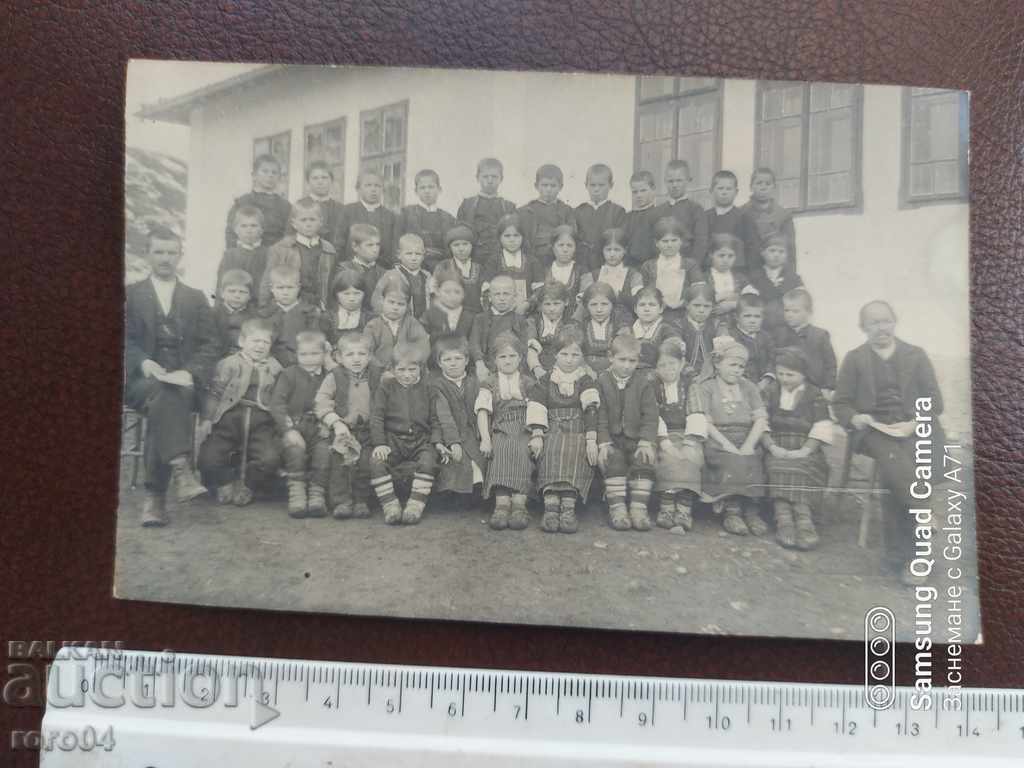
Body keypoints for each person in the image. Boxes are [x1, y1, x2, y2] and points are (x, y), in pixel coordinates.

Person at [832, 300, 945, 587]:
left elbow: (934, 400)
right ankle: (922, 529)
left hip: (912, 425)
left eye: (886, 321)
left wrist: (913, 423)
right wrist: (854, 417)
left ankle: (901, 556)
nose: (881, 328)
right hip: (875, 429)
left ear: (895, 322)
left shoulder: (915, 355)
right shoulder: (855, 358)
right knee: (893, 456)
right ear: (863, 328)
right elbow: (841, 402)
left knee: (898, 472)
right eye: (873, 323)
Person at [125, 226, 220, 526]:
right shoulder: (131, 295)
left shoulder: (195, 297)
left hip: (183, 382)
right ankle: (180, 470)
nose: (165, 259)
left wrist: (189, 371)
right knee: (162, 395)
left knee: (167, 398)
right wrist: (143, 362)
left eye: (171, 252)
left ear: (180, 256)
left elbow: (211, 343)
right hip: (141, 381)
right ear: (147, 254)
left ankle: (155, 499)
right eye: (158, 252)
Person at [197, 318, 282, 507]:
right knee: (208, 457)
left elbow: (279, 398)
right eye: (255, 341)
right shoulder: (229, 363)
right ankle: (225, 482)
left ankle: (248, 485)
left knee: (270, 458)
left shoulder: (275, 367)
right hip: (230, 416)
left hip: (261, 420)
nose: (260, 346)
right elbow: (215, 393)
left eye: (265, 342)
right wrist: (207, 419)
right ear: (242, 342)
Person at [528, 326, 600, 534]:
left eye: (575, 354)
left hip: (578, 430)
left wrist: (591, 440)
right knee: (550, 449)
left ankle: (568, 507)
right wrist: (538, 435)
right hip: (551, 428)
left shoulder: (586, 380)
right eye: (564, 354)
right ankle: (551, 507)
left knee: (576, 450)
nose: (569, 359)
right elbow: (537, 407)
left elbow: (591, 410)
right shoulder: (545, 380)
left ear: (582, 356)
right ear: (555, 355)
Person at [761, 347, 834, 551]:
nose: (784, 379)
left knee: (803, 467)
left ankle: (804, 520)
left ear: (803, 373)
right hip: (776, 445)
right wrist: (771, 446)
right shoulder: (770, 391)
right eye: (781, 373)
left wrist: (805, 450)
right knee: (776, 467)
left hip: (805, 445)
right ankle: (784, 520)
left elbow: (822, 425)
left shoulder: (814, 393)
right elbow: (762, 422)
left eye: (790, 375)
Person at [698, 336, 769, 536]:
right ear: (718, 364)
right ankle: (732, 510)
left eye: (741, 366)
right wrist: (726, 443)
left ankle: (752, 511)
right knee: (730, 459)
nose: (737, 370)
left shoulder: (749, 387)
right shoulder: (707, 387)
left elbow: (760, 419)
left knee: (753, 458)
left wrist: (749, 444)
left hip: (746, 436)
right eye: (732, 364)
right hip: (718, 437)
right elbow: (705, 421)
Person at [369, 343, 437, 525]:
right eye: (401, 369)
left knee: (429, 461)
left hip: (421, 439)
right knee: (376, 462)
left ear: (421, 368)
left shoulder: (428, 388)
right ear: (392, 369)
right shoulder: (386, 387)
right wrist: (380, 443)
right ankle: (390, 504)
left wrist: (437, 442)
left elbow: (435, 419)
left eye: (412, 369)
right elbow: (377, 417)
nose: (407, 375)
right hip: (393, 439)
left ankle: (415, 504)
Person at [475, 333, 539, 530]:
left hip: (524, 427)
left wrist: (537, 435)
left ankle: (520, 504)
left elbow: (537, 410)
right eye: (502, 357)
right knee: (500, 450)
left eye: (512, 356)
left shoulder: (528, 382)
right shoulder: (489, 382)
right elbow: (483, 411)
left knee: (522, 451)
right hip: (501, 427)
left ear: (520, 358)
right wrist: (485, 439)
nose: (508, 361)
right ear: (494, 360)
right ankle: (501, 504)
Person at [596, 334, 659, 531]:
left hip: (636, 439)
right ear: (611, 357)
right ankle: (618, 508)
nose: (626, 366)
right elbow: (601, 415)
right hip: (613, 439)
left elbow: (651, 415)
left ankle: (638, 509)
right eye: (622, 360)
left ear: (638, 361)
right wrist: (604, 442)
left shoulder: (643, 383)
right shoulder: (603, 381)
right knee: (613, 460)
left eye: (632, 361)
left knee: (644, 460)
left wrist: (646, 441)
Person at [314, 331, 378, 519]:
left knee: (366, 463)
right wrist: (335, 422)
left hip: (368, 430)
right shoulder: (335, 376)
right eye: (350, 355)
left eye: (362, 354)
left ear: (370, 356)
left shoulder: (377, 375)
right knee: (340, 463)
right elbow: (322, 401)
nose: (356, 359)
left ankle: (361, 500)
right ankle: (341, 501)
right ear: (339, 357)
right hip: (343, 429)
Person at [270, 330, 330, 518]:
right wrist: (288, 430)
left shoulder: (330, 375)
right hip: (295, 425)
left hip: (321, 425)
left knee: (324, 451)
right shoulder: (289, 375)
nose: (309, 359)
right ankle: (297, 494)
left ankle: (316, 494)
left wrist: (329, 423)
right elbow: (277, 404)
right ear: (296, 355)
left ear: (324, 354)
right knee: (295, 451)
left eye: (315, 354)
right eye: (303, 354)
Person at [653, 337, 705, 532]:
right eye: (662, 365)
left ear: (682, 364)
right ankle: (666, 508)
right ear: (656, 368)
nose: (668, 369)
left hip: (687, 434)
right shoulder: (654, 386)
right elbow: (654, 415)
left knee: (691, 458)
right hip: (664, 435)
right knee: (667, 458)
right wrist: (665, 442)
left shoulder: (690, 385)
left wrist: (690, 442)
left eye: (672, 364)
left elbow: (696, 412)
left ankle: (684, 510)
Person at [429, 334, 486, 506]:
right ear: (439, 363)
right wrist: (453, 441)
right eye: (447, 359)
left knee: (480, 459)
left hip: (475, 432)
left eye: (458, 358)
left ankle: (480, 493)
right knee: (455, 461)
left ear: (467, 360)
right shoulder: (437, 385)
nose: (453, 363)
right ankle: (456, 495)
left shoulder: (475, 383)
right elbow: (443, 416)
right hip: (450, 433)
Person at [260, 199, 337, 310]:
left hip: (319, 306)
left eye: (312, 219)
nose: (308, 224)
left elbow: (331, 283)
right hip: (290, 306)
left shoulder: (328, 250)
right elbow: (268, 279)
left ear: (320, 222)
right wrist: (264, 306)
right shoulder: (281, 248)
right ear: (294, 223)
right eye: (303, 220)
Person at [469, 275, 537, 381]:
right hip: (487, 367)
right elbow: (474, 344)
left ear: (514, 297)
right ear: (490, 297)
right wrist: (480, 364)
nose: (501, 298)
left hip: (512, 367)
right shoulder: (480, 319)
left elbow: (523, 349)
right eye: (497, 294)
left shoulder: (519, 320)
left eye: (506, 294)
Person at [774, 287, 837, 397]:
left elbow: (830, 365)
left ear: (809, 312)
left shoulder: (820, 335)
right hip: (787, 387)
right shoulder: (780, 334)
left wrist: (827, 387)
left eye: (795, 311)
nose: (789, 314)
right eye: (786, 310)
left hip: (814, 387)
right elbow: (774, 359)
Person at [260, 265, 327, 368]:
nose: (285, 292)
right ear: (271, 288)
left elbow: (315, 341)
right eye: (280, 288)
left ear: (298, 287)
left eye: (290, 287)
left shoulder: (310, 313)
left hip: (303, 362)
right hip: (272, 364)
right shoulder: (265, 314)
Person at [481, 213, 545, 313]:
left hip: (526, 313)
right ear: (499, 238)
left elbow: (540, 291)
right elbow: (486, 291)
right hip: (499, 314)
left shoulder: (532, 261)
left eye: (516, 235)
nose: (512, 240)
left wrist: (527, 304)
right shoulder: (493, 261)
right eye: (507, 236)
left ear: (523, 237)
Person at [363, 277, 431, 373]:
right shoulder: (373, 326)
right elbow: (367, 352)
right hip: (381, 373)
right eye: (391, 302)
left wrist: (412, 365)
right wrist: (381, 369)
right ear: (382, 301)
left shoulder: (411, 323)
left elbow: (423, 346)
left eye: (400, 304)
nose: (395, 307)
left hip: (409, 372)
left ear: (407, 306)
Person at [456, 157, 516, 265]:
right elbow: (460, 235)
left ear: (501, 178)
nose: (489, 180)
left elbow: (514, 236)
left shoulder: (508, 207)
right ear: (477, 178)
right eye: (485, 176)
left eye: (494, 177)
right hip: (473, 258)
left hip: (501, 258)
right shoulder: (467, 205)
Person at [333, 171, 399, 269]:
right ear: (358, 189)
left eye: (377, 186)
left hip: (381, 268)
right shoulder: (347, 211)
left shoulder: (390, 216)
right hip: (351, 268)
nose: (373, 189)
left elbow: (393, 247)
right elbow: (339, 242)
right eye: (368, 185)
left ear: (383, 190)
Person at [576, 227, 644, 322]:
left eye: (617, 250)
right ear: (602, 250)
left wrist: (620, 295)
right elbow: (583, 304)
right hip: (595, 321)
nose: (612, 254)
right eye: (608, 250)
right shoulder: (592, 276)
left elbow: (638, 301)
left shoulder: (634, 276)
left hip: (625, 321)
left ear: (625, 250)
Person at [224, 154, 291, 249]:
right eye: (265, 171)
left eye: (274, 172)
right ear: (254, 175)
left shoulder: (285, 206)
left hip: (276, 257)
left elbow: (290, 236)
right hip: (247, 257)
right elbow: (231, 235)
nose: (270, 175)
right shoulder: (242, 202)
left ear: (279, 177)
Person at [745, 233, 803, 339]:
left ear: (786, 255)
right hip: (761, 329)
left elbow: (801, 304)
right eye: (772, 250)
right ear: (763, 253)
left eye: (781, 251)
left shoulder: (793, 279)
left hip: (788, 329)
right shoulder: (754, 278)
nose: (776, 255)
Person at [516, 164, 577, 267]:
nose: (548, 189)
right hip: (532, 260)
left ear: (560, 186)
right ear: (536, 186)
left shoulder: (566, 211)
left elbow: (572, 236)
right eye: (544, 185)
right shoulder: (525, 211)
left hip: (559, 260)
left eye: (553, 185)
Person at [640, 216, 696, 326]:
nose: (669, 245)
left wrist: (683, 302)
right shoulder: (648, 266)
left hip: (683, 315)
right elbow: (644, 294)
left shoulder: (690, 265)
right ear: (656, 243)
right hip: (656, 316)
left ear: (681, 241)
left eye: (674, 240)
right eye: (665, 241)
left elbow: (697, 292)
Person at [399, 169, 457, 272]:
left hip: (441, 268)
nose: (427, 191)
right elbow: (398, 244)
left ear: (439, 189)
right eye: (422, 188)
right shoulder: (406, 214)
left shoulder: (449, 218)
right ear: (416, 191)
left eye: (431, 187)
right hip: (413, 267)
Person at [741, 167, 797, 271]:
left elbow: (790, 249)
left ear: (774, 187)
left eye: (767, 184)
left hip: (775, 271)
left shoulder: (783, 215)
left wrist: (790, 276)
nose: (763, 187)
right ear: (751, 187)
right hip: (748, 270)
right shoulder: (741, 213)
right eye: (759, 183)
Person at [658, 159, 709, 268]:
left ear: (688, 181)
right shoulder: (659, 210)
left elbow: (700, 243)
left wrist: (691, 268)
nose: (675, 185)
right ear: (665, 181)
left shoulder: (696, 209)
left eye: (679, 180)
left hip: (686, 266)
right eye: (670, 181)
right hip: (662, 266)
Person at [575, 164, 626, 271]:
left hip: (607, 263)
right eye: (592, 185)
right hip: (583, 264)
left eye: (601, 185)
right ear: (586, 185)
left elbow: (620, 241)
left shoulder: (617, 211)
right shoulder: (579, 211)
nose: (596, 189)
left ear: (611, 185)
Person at [371, 233, 433, 320]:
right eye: (409, 254)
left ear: (423, 256)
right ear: (399, 255)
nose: (413, 258)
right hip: (399, 322)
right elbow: (376, 299)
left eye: (418, 254)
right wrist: (389, 316)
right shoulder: (391, 275)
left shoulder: (427, 276)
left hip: (423, 323)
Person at [727, 293, 776, 393]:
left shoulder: (765, 337)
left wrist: (766, 379)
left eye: (757, 317)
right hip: (740, 382)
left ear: (763, 318)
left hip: (763, 382)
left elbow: (772, 359)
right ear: (737, 317)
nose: (752, 320)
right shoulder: (731, 336)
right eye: (747, 316)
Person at [218, 205, 269, 299]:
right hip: (235, 304)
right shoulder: (230, 255)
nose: (249, 230)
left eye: (253, 226)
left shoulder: (269, 254)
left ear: (262, 229)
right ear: (236, 230)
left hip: (261, 307)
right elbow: (221, 286)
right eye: (243, 226)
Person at [577, 281, 627, 375]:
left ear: (612, 305)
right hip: (585, 372)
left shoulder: (619, 325)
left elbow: (624, 352)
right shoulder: (581, 326)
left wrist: (609, 372)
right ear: (586, 306)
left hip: (614, 372)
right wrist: (586, 369)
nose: (599, 309)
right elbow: (575, 351)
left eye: (604, 304)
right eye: (593, 304)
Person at [435, 224, 484, 314]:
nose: (461, 249)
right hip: (451, 315)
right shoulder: (443, 266)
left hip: (476, 316)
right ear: (450, 247)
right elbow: (435, 293)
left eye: (465, 244)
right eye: (456, 245)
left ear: (472, 246)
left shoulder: (479, 268)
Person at [420, 271, 475, 352]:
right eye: (447, 292)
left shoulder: (470, 316)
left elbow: (473, 342)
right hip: (435, 359)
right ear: (438, 292)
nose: (452, 296)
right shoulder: (429, 315)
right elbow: (421, 340)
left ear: (464, 294)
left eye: (457, 292)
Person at [536, 225, 584, 317]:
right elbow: (538, 296)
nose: (565, 249)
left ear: (575, 248)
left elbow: (585, 295)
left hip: (573, 317)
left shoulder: (581, 270)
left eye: (569, 245)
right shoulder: (545, 270)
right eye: (560, 245)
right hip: (547, 316)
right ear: (553, 247)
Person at [338, 222, 387, 312]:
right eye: (370, 245)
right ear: (355, 247)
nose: (375, 249)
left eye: (377, 244)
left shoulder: (384, 273)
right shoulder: (344, 269)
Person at [631, 286, 682, 371]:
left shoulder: (666, 329)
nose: (647, 309)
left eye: (652, 305)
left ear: (661, 308)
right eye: (642, 305)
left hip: (659, 371)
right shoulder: (629, 330)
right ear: (635, 309)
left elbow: (674, 351)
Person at [529, 281, 575, 375]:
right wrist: (536, 368)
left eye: (556, 304)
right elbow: (531, 349)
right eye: (547, 304)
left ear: (566, 302)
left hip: (562, 365)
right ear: (540, 304)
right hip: (536, 364)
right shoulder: (533, 321)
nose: (552, 309)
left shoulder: (570, 322)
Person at [705, 170, 747, 270]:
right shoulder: (704, 217)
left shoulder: (743, 217)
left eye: (728, 189)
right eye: (720, 188)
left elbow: (748, 249)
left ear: (736, 192)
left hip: (736, 270)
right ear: (711, 191)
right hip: (709, 270)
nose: (724, 192)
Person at [705, 233, 749, 329]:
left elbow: (752, 300)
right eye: (721, 255)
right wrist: (722, 296)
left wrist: (733, 304)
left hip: (737, 326)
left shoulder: (740, 278)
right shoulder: (704, 277)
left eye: (730, 256)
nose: (726, 260)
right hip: (710, 325)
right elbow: (700, 300)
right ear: (711, 255)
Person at [677, 282, 716, 379]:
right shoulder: (678, 326)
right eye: (696, 305)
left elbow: (723, 349)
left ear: (713, 307)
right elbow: (676, 353)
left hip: (712, 376)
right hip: (684, 375)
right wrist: (691, 373)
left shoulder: (716, 325)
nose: (701, 310)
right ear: (687, 305)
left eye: (706, 306)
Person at [212, 268, 255, 357]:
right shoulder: (212, 313)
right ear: (222, 293)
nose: (237, 295)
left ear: (250, 295)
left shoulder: (254, 316)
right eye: (232, 291)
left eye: (242, 292)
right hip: (217, 356)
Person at [325, 268, 370, 349]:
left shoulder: (370, 319)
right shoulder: (327, 318)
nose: (351, 298)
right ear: (336, 295)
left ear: (364, 294)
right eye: (346, 293)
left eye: (357, 293)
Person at [624, 170, 662, 267]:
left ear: (653, 189)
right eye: (635, 192)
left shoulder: (659, 215)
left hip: (651, 266)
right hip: (630, 267)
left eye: (643, 190)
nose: (639, 195)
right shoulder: (627, 217)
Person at [301, 160, 343, 245]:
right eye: (315, 178)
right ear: (308, 182)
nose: (320, 182)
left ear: (331, 180)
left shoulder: (341, 209)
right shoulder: (300, 206)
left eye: (324, 177)